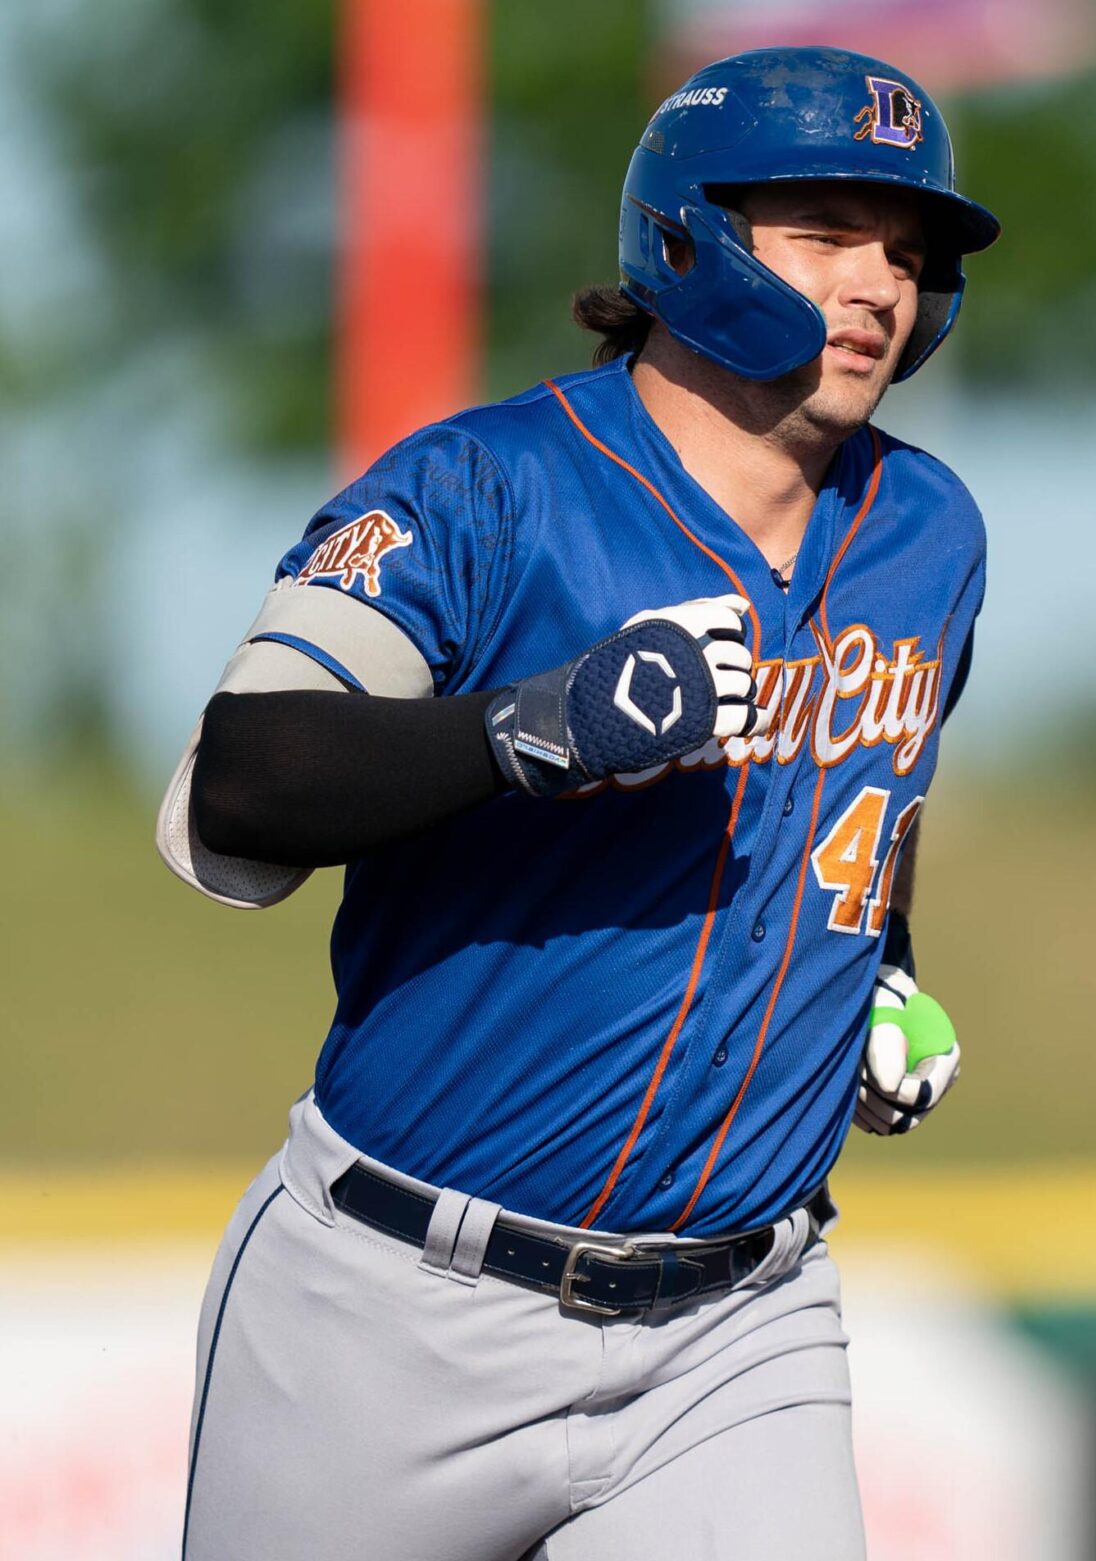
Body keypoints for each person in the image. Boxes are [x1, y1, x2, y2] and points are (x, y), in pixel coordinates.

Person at [159, 44, 999, 1561]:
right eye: (822, 226)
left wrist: (882, 960)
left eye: (907, 247)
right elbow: (241, 779)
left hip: (738, 1331)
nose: (879, 278)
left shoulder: (927, 530)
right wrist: (532, 726)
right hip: (389, 1306)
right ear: (689, 231)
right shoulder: (481, 486)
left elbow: (867, 782)